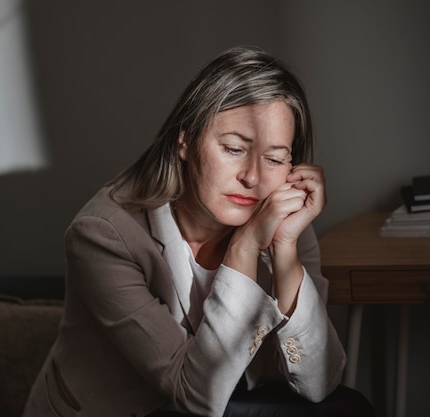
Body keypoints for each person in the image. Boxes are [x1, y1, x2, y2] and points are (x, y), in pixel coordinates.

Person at [22, 45, 373, 417]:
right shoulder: (103, 236)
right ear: (185, 139)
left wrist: (285, 248)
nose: (252, 177)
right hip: (132, 410)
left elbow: (320, 383)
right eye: (234, 148)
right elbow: (195, 397)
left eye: (273, 159)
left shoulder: (282, 216)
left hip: (233, 400)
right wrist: (245, 248)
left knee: (348, 409)